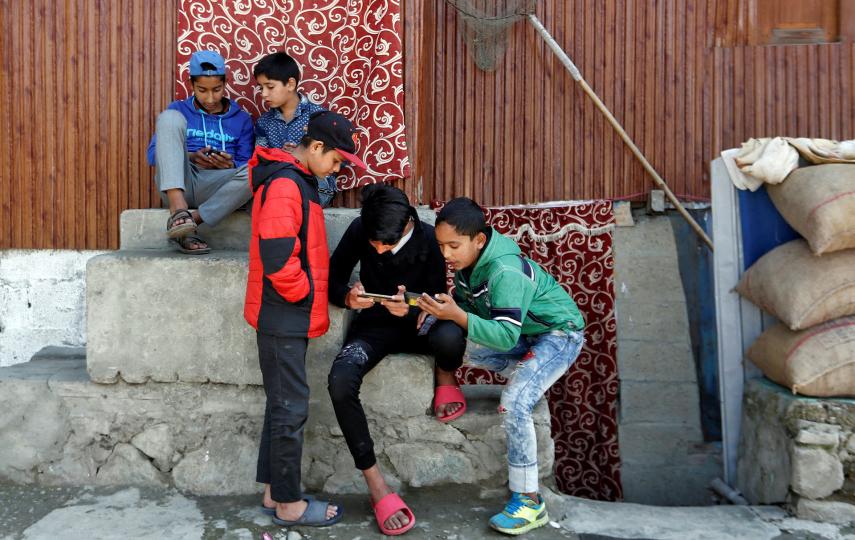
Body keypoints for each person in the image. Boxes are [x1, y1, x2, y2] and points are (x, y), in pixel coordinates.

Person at [417, 197, 586, 536]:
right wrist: (436, 313)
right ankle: (529, 374)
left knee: (514, 404)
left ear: (479, 240)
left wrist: (458, 316)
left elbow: (505, 335)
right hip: (525, 339)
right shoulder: (467, 268)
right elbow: (470, 320)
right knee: (445, 337)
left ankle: (529, 501)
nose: (446, 254)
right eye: (441, 246)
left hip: (557, 336)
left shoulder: (504, 270)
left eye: (454, 246)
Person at [243, 110, 366, 527]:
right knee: (291, 408)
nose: (336, 171)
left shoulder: (296, 180)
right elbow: (279, 261)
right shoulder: (284, 185)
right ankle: (289, 505)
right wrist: (306, 294)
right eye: (336, 161)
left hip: (285, 314)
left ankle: (271, 491)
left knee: (281, 406)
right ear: (316, 147)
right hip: (283, 314)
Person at [326, 184, 468, 536]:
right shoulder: (362, 228)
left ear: (406, 225)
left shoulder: (426, 236)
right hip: (375, 326)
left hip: (420, 324)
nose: (377, 249)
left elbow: (438, 294)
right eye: (373, 243)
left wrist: (413, 307)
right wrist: (348, 298)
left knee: (451, 335)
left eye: (385, 244)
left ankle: (445, 377)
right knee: (340, 378)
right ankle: (376, 485)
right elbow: (333, 278)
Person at [146, 49, 255, 254]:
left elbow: (245, 162)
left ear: (225, 83)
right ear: (191, 85)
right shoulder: (179, 109)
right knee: (168, 117)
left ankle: (189, 222)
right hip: (182, 181)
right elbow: (153, 156)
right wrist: (190, 157)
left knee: (257, 172)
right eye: (202, 90)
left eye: (217, 89)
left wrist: (229, 164)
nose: (211, 98)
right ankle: (179, 210)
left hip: (220, 186)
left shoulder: (242, 119)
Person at [253, 51, 339, 207]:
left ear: (291, 84)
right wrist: (281, 155)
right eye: (261, 88)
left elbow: (334, 159)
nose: (264, 94)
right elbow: (260, 160)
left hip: (317, 185)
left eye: (270, 87)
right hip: (278, 181)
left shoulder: (319, 116)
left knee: (282, 196)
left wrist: (302, 155)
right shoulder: (264, 122)